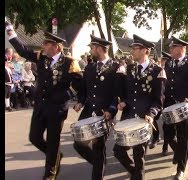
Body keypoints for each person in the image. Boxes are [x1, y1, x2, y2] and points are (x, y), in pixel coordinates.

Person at [6, 22, 82, 180]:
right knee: (34, 137)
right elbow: (23, 51)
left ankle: (50, 173)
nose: (43, 46)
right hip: (40, 106)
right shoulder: (41, 57)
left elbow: (78, 83)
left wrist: (66, 95)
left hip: (57, 109)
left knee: (53, 141)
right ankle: (55, 156)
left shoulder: (69, 62)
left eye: (46, 44)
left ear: (55, 46)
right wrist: (11, 32)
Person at [114, 34, 166, 180]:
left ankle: (137, 175)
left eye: (135, 49)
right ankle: (135, 173)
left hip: (143, 119)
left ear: (145, 50)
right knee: (118, 151)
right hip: (128, 117)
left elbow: (159, 99)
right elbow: (125, 92)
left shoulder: (157, 71)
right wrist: (123, 101)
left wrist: (151, 113)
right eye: (132, 48)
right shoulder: (129, 69)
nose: (132, 51)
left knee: (139, 157)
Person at [73, 35, 124, 180]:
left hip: (104, 112)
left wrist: (111, 111)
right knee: (78, 143)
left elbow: (117, 94)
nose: (90, 51)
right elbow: (84, 90)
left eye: (92, 48)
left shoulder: (116, 68)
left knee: (98, 147)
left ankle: (97, 172)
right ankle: (99, 163)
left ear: (100, 49)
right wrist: (80, 102)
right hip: (88, 111)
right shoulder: (89, 67)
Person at [162, 36, 188, 180]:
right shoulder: (169, 63)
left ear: (181, 48)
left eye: (173, 47)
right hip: (169, 105)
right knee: (167, 135)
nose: (170, 50)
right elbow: (167, 84)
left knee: (183, 137)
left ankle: (181, 168)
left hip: (184, 106)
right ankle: (179, 152)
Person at [149, 51, 172, 150]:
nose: (163, 61)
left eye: (165, 60)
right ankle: (156, 136)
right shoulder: (157, 69)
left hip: (167, 100)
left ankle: (165, 145)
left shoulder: (170, 70)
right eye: (162, 59)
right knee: (152, 118)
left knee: (167, 125)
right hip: (158, 99)